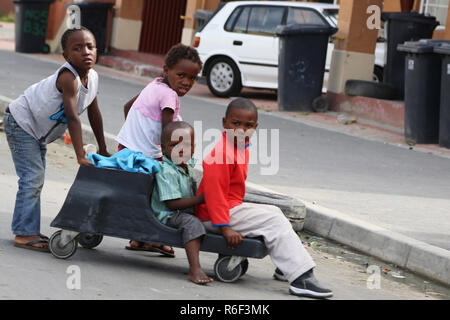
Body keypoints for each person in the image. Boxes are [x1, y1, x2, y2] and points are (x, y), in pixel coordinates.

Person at [195, 98, 333, 299]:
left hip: (229, 208)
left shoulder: (239, 147)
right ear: (224, 123)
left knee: (275, 212)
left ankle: (286, 266)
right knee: (273, 220)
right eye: (236, 123)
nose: (242, 130)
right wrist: (225, 228)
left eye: (248, 126)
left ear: (255, 127)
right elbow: (214, 196)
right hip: (213, 215)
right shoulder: (222, 154)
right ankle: (301, 278)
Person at [4, 27, 110, 252]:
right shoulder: (68, 77)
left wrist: (103, 146)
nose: (86, 52)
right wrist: (80, 155)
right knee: (32, 178)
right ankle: (24, 233)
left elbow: (94, 113)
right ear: (66, 56)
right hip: (21, 123)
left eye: (90, 47)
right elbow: (72, 117)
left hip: (37, 131)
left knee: (35, 179)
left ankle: (28, 228)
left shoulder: (93, 77)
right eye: (77, 48)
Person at [116, 44, 203, 257]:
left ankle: (141, 238)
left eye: (192, 78)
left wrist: (134, 134)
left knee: (141, 198)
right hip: (143, 157)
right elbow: (168, 132)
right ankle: (150, 236)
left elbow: (128, 106)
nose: (186, 82)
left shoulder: (154, 85)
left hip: (126, 148)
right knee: (160, 195)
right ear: (166, 70)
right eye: (181, 75)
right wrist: (174, 161)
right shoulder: (169, 96)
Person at [151, 121, 213, 284]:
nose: (181, 149)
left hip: (184, 209)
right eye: (174, 145)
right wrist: (200, 200)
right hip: (169, 214)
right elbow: (172, 204)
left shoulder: (188, 167)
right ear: (164, 148)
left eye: (186, 145)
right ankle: (195, 269)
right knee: (192, 223)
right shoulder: (167, 170)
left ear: (193, 148)